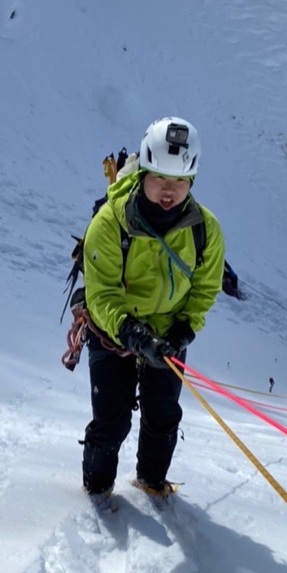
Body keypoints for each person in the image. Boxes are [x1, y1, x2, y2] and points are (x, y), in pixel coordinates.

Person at [81, 117, 225, 503]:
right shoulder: (110, 223)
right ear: (143, 172)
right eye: (160, 178)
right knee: (111, 422)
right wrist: (131, 333)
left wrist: (184, 330)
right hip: (114, 335)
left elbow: (206, 287)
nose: (169, 190)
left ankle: (151, 483)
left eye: (179, 182)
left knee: (163, 418)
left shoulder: (205, 229)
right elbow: (102, 293)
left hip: (167, 334)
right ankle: (95, 492)